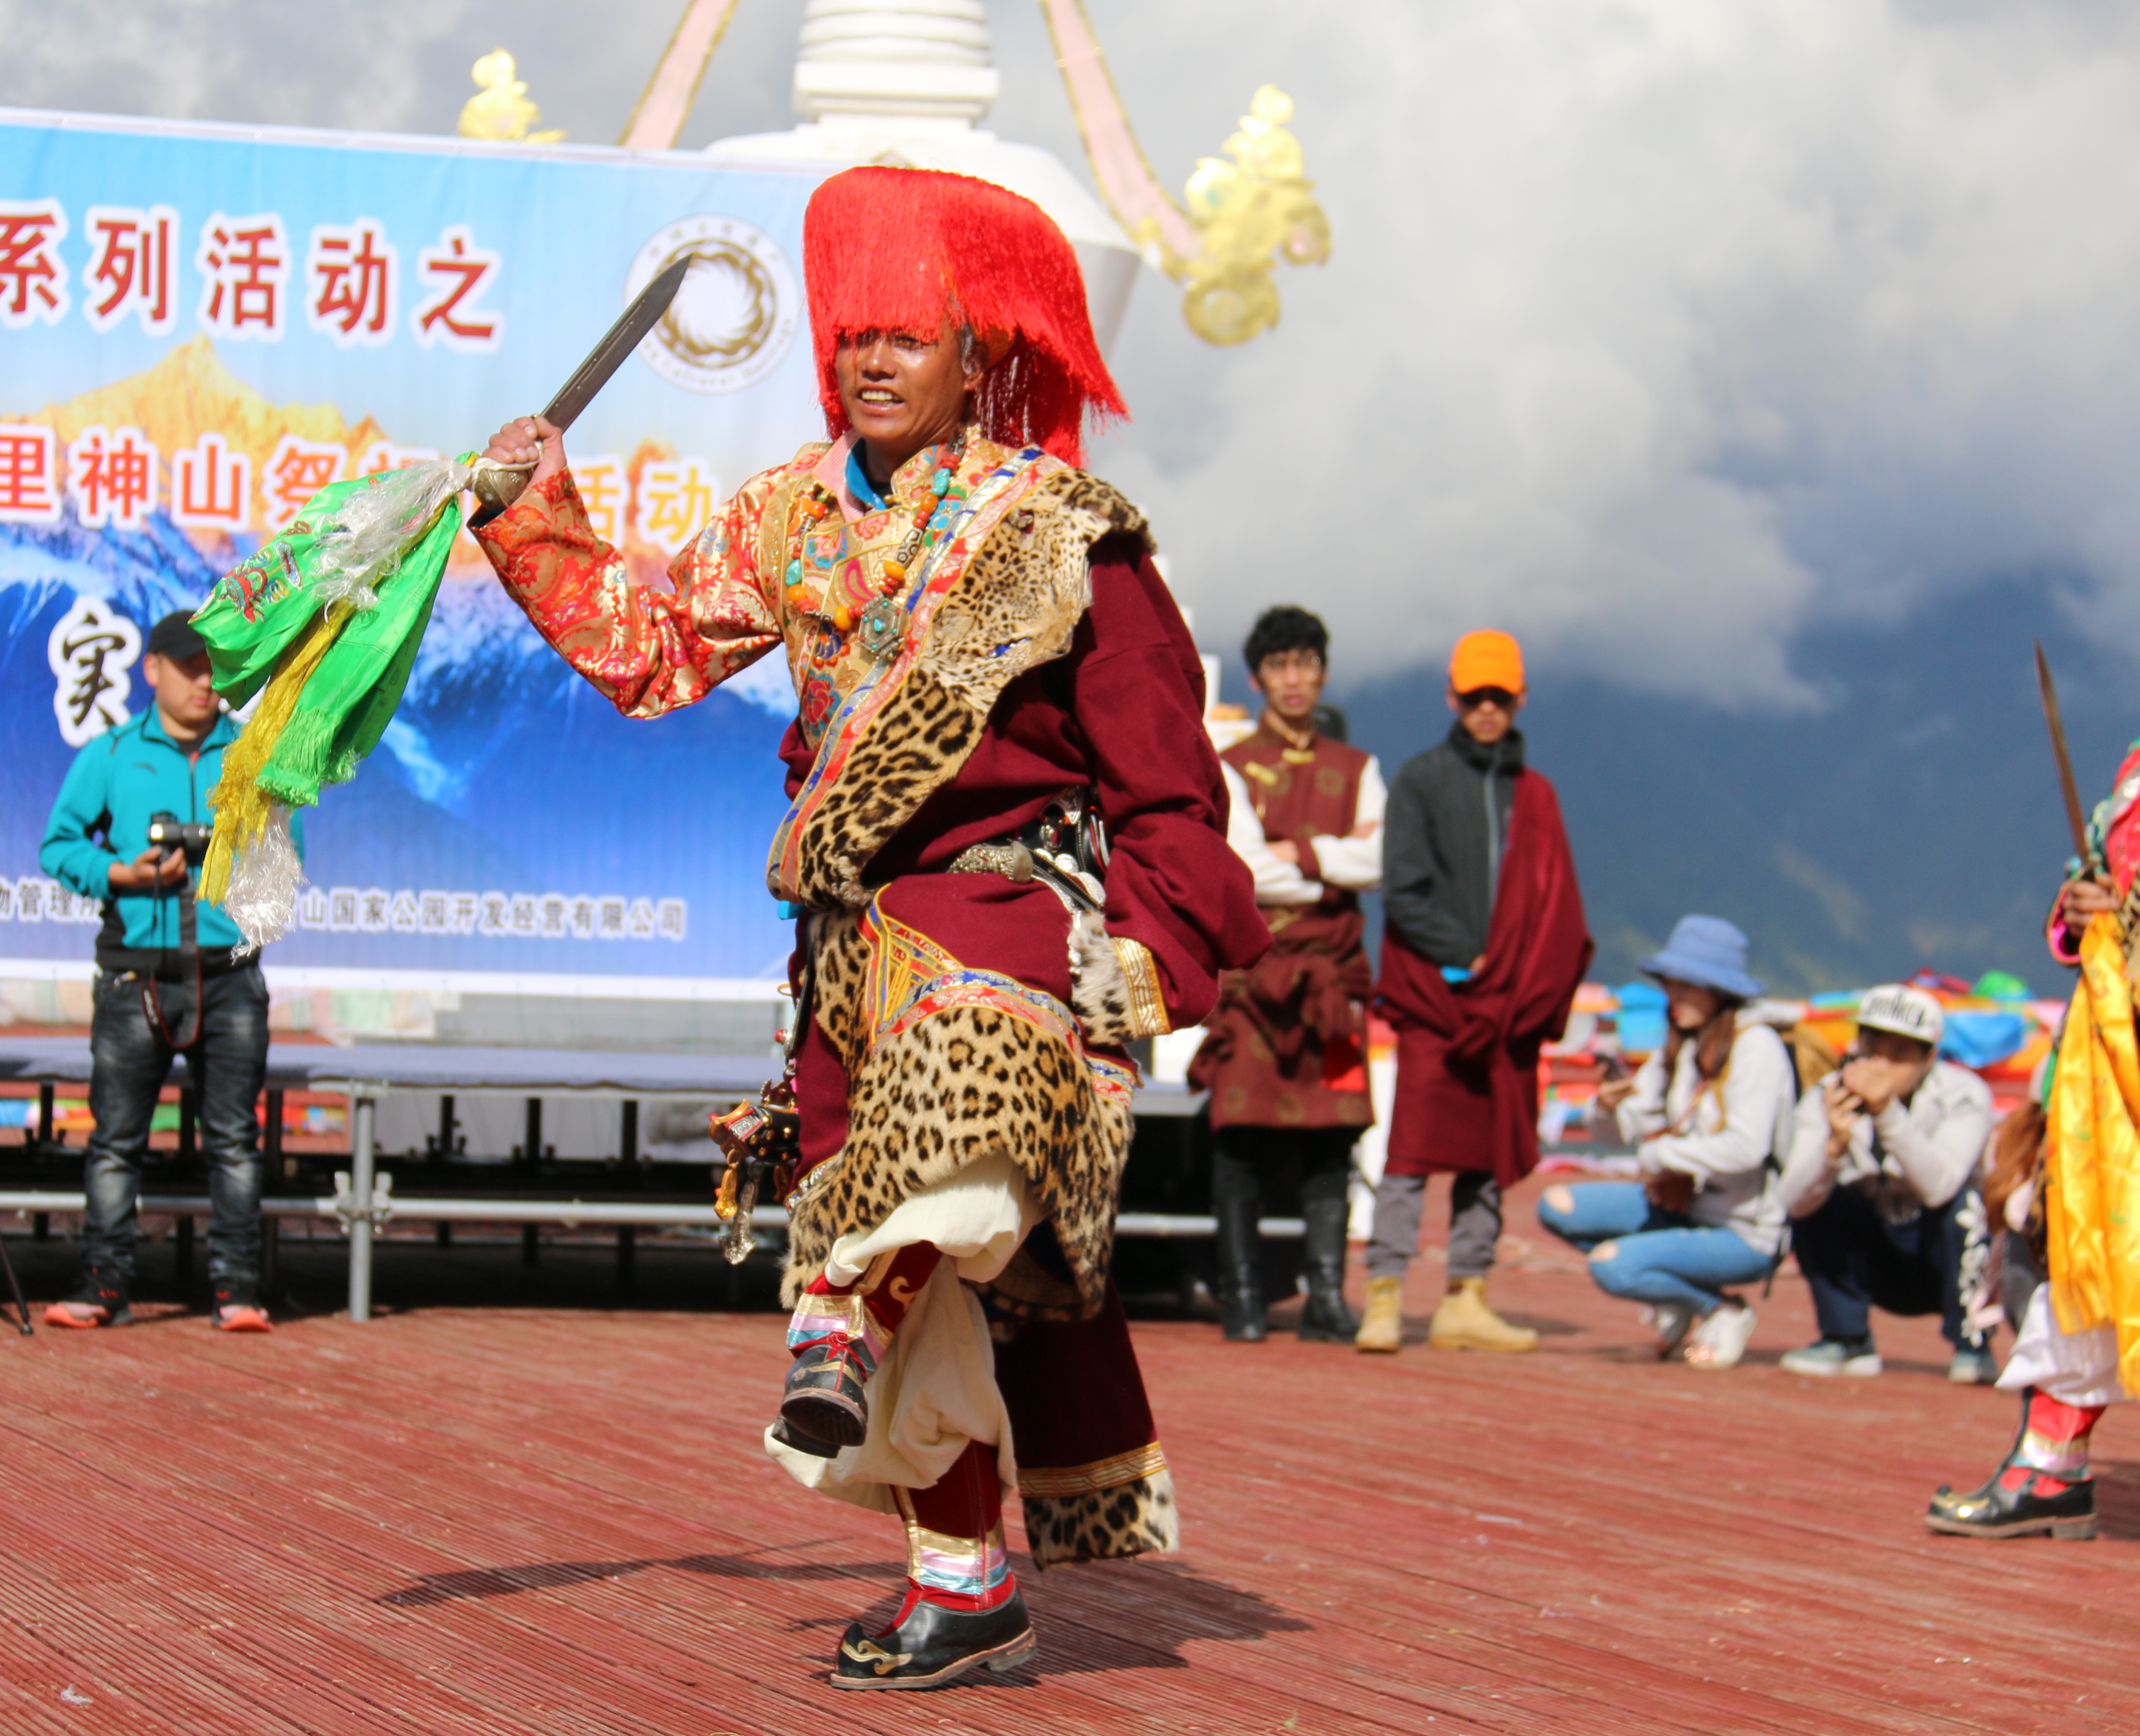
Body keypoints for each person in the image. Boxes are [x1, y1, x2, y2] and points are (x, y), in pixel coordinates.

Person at [468, 166, 1263, 1689]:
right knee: (933, 1305)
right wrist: (533, 512)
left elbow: (1171, 781)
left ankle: (832, 1316)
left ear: (983, 357)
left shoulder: (1057, 531)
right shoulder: (784, 516)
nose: (873, 364)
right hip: (842, 950)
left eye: (912, 337)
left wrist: (1152, 957)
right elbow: (648, 657)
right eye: (854, 339)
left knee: (940, 1166)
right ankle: (965, 1586)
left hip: (1013, 912)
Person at [37, 611, 295, 1333]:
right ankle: (102, 1286)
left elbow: (286, 848)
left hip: (230, 973)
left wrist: (234, 876)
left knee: (234, 1142)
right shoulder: (111, 754)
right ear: (152, 670)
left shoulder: (253, 755)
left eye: (216, 667)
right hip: (134, 972)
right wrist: (120, 872)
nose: (208, 682)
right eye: (190, 666)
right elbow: (58, 846)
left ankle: (239, 1289)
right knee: (116, 1142)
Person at [1359, 630, 1590, 1354]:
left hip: (1509, 1007)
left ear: (1519, 699)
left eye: (1500, 696)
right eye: (1474, 695)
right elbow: (1403, 889)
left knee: (1487, 1158)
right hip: (1439, 994)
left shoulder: (1538, 794)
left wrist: (1523, 972)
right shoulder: (1423, 778)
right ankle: (1385, 1297)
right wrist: (1474, 956)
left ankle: (1467, 1296)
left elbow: (1557, 901)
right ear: (1452, 698)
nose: (1487, 708)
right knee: (1411, 1153)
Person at [1927, 831, 2133, 1539]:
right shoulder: (2133, 785)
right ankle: (2051, 1464)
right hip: (2111, 1064)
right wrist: (2090, 908)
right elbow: (2101, 883)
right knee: (2081, 1255)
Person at [1188, 604, 1383, 1343]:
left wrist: (1289, 854)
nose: (1294, 680)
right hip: (1252, 982)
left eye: (1305, 664)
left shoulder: (1358, 770)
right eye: (1279, 667)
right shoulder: (1231, 769)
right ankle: (1242, 1297)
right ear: (1259, 678)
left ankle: (1327, 1298)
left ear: (1322, 672)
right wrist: (1332, 859)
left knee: (1333, 1144)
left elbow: (1381, 864)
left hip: (1332, 988)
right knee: (1238, 1139)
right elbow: (1244, 868)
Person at [1537, 916, 1793, 1368]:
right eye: (1669, 983)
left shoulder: (1757, 1047)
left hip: (1743, 1232)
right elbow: (1624, 1132)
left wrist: (1660, 1156)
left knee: (1613, 1266)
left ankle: (1721, 1310)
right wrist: (1606, 1107)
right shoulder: (1680, 1046)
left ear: (1721, 991)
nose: (1674, 998)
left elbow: (1747, 1148)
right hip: (1683, 1208)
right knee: (1556, 1205)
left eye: (1689, 986)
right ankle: (1682, 1296)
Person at [1775, 984, 1994, 1380]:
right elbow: (1790, 1201)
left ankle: (1973, 1343)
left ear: (1929, 1059)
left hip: (1942, 1256)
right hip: (1877, 1255)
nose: (1880, 1068)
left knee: (1967, 1206)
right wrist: (1833, 1149)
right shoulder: (1825, 1096)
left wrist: (1885, 1113)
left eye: (1899, 1057)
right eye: (1872, 1051)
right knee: (1819, 1196)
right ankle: (1847, 1339)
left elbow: (1941, 1186)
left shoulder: (1966, 1094)